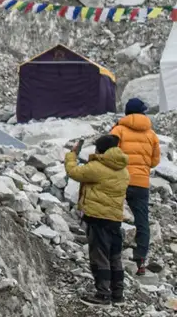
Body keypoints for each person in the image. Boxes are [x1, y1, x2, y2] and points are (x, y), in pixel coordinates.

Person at [65, 135, 130, 305]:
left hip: (97, 218)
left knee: (99, 257)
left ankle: (102, 295)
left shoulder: (97, 167)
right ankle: (118, 294)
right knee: (114, 257)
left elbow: (73, 172)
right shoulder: (123, 169)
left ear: (100, 150)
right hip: (115, 219)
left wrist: (72, 155)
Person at [110, 98, 161, 274]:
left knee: (113, 215)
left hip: (119, 180)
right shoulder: (151, 135)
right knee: (142, 220)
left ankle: (113, 253)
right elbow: (155, 162)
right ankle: (140, 261)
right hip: (141, 183)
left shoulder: (118, 130)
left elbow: (109, 154)